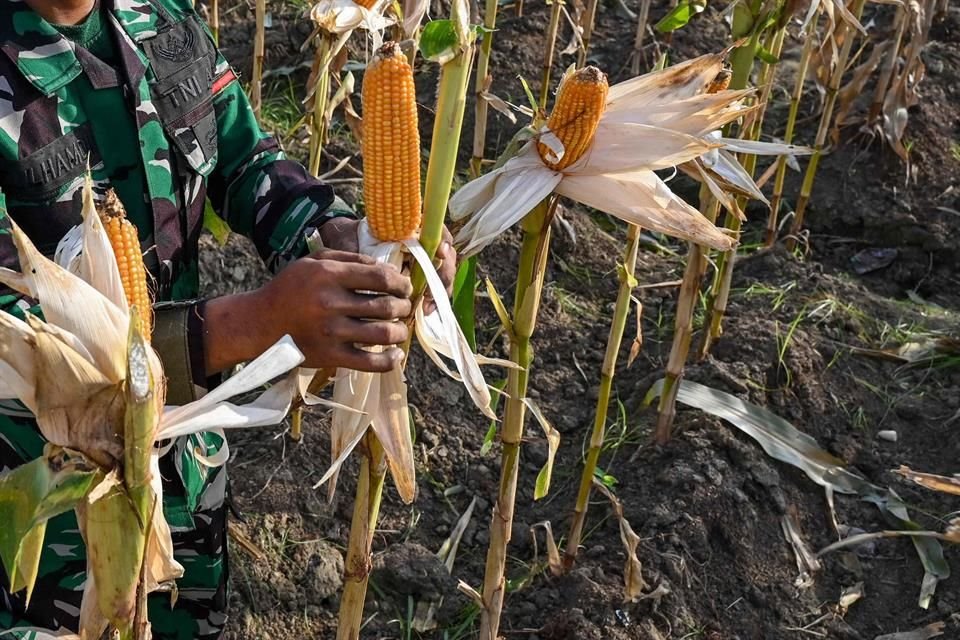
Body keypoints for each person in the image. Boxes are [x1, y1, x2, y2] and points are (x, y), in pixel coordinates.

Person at [0, 0, 456, 637]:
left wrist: (338, 235)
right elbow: (13, 333)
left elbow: (247, 164)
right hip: (50, 496)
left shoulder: (159, 17)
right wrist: (257, 323)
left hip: (186, 457)